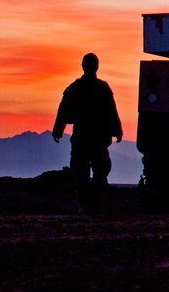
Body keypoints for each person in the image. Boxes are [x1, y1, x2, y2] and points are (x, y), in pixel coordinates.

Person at [53, 53, 123, 212]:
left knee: (87, 171)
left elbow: (63, 111)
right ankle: (89, 203)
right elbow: (111, 111)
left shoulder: (76, 88)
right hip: (92, 138)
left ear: (83, 66)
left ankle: (88, 203)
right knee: (92, 170)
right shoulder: (100, 88)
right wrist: (117, 130)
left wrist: (58, 130)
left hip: (85, 137)